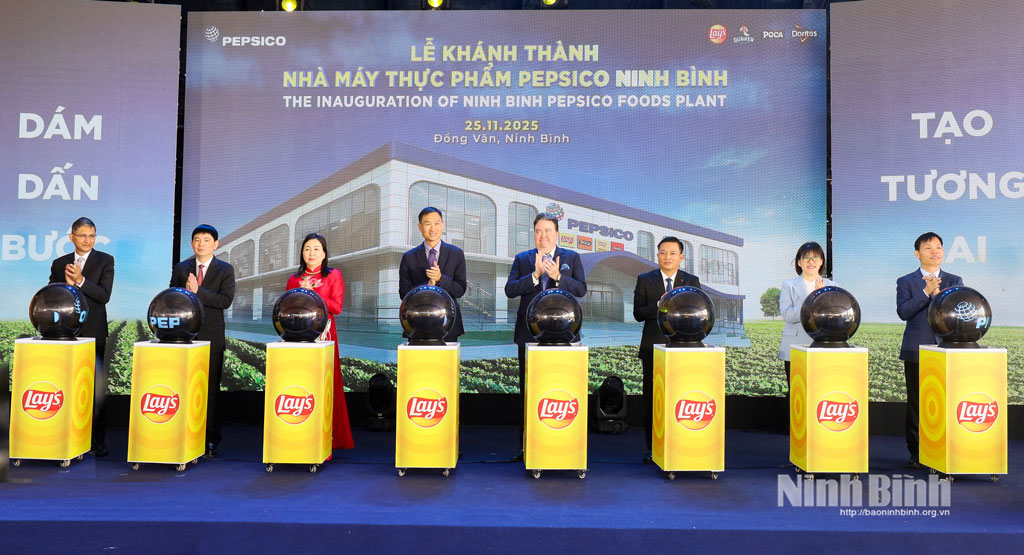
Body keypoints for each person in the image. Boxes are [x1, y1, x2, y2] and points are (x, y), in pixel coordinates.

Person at [504, 213, 587, 457]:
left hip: (565, 335)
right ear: (534, 234)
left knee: (561, 389)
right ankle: (526, 445)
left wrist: (558, 277)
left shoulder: (571, 257)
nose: (543, 236)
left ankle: (562, 444)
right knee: (529, 390)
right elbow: (510, 290)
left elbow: (581, 289)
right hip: (530, 333)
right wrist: (535, 275)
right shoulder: (523, 259)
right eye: (539, 231)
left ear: (557, 233)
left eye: (548, 231)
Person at [49, 217, 114, 457]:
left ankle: (97, 440)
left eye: (92, 236)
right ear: (72, 237)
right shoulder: (59, 263)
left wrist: (80, 281)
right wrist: (67, 287)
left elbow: (103, 295)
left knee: (94, 386)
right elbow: (52, 295)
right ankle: (65, 436)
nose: (88, 240)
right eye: (83, 235)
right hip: (64, 334)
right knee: (65, 384)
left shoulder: (105, 260)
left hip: (94, 332)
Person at [633, 237, 700, 463]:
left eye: (673, 253)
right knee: (653, 399)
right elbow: (638, 314)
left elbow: (698, 311)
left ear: (681, 257)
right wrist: (659, 305)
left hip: (684, 349)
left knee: (682, 397)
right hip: (653, 348)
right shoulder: (645, 280)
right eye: (663, 252)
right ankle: (653, 448)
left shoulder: (691, 280)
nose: (667, 257)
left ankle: (681, 444)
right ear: (657, 255)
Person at [896, 232, 962, 467]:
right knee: (917, 403)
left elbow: (958, 313)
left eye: (938, 247)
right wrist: (926, 293)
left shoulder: (954, 281)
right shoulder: (906, 281)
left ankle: (945, 449)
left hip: (947, 349)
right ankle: (917, 453)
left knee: (947, 400)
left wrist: (939, 295)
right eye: (928, 248)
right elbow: (904, 312)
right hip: (917, 348)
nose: (935, 251)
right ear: (917, 254)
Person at [170, 224, 235, 458]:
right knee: (183, 388)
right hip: (183, 338)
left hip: (211, 338)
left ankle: (209, 440)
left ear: (216, 244)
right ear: (191, 244)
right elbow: (172, 298)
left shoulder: (225, 269)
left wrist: (198, 292)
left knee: (209, 392)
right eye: (197, 240)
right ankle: (183, 435)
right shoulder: (181, 268)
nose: (201, 244)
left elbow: (225, 300)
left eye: (206, 240)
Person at [286, 233, 354, 451]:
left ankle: (329, 435)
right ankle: (302, 431)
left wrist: (312, 292)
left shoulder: (333, 275)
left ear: (324, 253)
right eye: (307, 249)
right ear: (302, 253)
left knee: (325, 382)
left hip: (324, 335)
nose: (311, 253)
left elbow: (337, 307)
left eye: (316, 249)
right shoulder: (293, 279)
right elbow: (287, 310)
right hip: (298, 337)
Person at [398, 207, 467, 342]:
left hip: (448, 324)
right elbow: (404, 293)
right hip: (415, 324)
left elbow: (460, 289)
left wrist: (441, 279)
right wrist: (427, 285)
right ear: (419, 226)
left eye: (436, 223)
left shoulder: (456, 253)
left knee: (446, 363)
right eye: (427, 224)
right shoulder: (409, 257)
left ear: (442, 225)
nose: (432, 228)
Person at [777, 242, 836, 383]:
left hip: (823, 346)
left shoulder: (832, 286)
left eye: (815, 257)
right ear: (799, 262)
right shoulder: (788, 285)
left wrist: (822, 297)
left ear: (821, 261)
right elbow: (787, 315)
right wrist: (813, 298)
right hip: (795, 346)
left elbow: (832, 317)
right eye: (806, 258)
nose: (811, 261)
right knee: (797, 392)